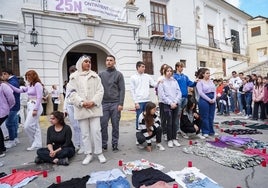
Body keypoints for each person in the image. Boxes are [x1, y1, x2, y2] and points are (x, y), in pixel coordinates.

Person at [67, 55, 106, 164]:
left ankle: (99, 153)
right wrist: (81, 102)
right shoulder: (74, 77)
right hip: (81, 109)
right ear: (80, 64)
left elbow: (100, 91)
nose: (88, 63)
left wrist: (93, 102)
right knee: (85, 133)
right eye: (86, 62)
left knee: (96, 131)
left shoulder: (95, 76)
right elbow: (71, 93)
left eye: (89, 62)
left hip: (94, 108)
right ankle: (88, 154)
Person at [8, 70, 43, 151]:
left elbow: (39, 97)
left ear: (33, 76)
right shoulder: (30, 85)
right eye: (26, 76)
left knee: (27, 125)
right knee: (35, 126)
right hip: (30, 105)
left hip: (35, 105)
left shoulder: (37, 85)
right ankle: (37, 143)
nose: (27, 78)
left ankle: (35, 142)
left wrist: (35, 109)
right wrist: (8, 85)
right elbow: (19, 90)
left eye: (29, 76)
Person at [99, 55, 125, 152]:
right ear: (105, 62)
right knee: (103, 125)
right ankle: (104, 144)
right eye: (107, 60)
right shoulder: (101, 75)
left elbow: (122, 90)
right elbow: (98, 89)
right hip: (104, 103)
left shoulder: (119, 75)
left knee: (115, 125)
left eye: (111, 60)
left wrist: (121, 103)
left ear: (114, 62)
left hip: (115, 103)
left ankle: (115, 144)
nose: (109, 62)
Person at [158, 66, 182, 148]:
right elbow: (162, 95)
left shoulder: (174, 81)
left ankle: (174, 138)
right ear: (164, 72)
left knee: (175, 122)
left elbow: (179, 92)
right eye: (167, 71)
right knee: (169, 122)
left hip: (175, 104)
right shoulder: (162, 82)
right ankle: (169, 139)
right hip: (167, 105)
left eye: (170, 71)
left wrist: (175, 102)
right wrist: (170, 103)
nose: (169, 72)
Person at [130, 61, 157, 130]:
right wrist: (136, 102)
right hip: (139, 101)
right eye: (142, 67)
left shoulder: (147, 76)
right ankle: (138, 133)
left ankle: (148, 132)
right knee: (139, 117)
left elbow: (154, 84)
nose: (144, 68)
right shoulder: (133, 77)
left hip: (147, 100)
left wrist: (161, 81)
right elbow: (132, 90)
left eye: (144, 67)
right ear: (138, 67)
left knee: (148, 117)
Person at [173, 61, 197, 138]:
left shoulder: (185, 76)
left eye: (182, 67)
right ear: (177, 67)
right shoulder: (174, 76)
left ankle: (182, 129)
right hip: (178, 98)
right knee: (177, 114)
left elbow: (190, 84)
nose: (182, 68)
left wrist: (195, 82)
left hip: (185, 97)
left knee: (183, 114)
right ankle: (177, 130)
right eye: (180, 66)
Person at [63, 65, 83, 154]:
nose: (72, 72)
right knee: (74, 126)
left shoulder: (81, 82)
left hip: (78, 106)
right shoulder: (68, 84)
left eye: (74, 70)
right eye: (71, 71)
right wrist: (65, 108)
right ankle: (77, 144)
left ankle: (83, 145)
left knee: (81, 126)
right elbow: (66, 97)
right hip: (70, 106)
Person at [1, 69, 20, 149]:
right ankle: (15, 138)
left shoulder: (11, 82)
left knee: (9, 123)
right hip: (15, 105)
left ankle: (12, 140)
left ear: (7, 74)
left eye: (3, 75)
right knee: (14, 122)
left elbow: (10, 95)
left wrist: (9, 105)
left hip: (12, 106)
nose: (2, 77)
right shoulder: (14, 80)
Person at [196, 68, 217, 137]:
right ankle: (205, 131)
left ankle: (211, 131)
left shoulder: (211, 81)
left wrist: (214, 98)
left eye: (209, 73)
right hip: (204, 99)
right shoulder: (200, 82)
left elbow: (215, 90)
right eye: (207, 73)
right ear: (203, 74)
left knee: (211, 116)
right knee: (205, 116)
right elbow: (200, 93)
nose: (209, 74)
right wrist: (208, 99)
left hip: (212, 98)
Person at [0, 81, 15, 157]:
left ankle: (1, 149)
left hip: (3, 111)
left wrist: (8, 106)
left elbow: (11, 98)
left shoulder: (3, 86)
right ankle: (2, 148)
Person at [156, 64, 168, 141]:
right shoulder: (160, 78)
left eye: (166, 68)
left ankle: (170, 132)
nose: (165, 70)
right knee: (163, 117)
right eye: (163, 68)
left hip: (169, 101)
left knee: (169, 117)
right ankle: (164, 132)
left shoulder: (170, 78)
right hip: (162, 101)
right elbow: (156, 88)